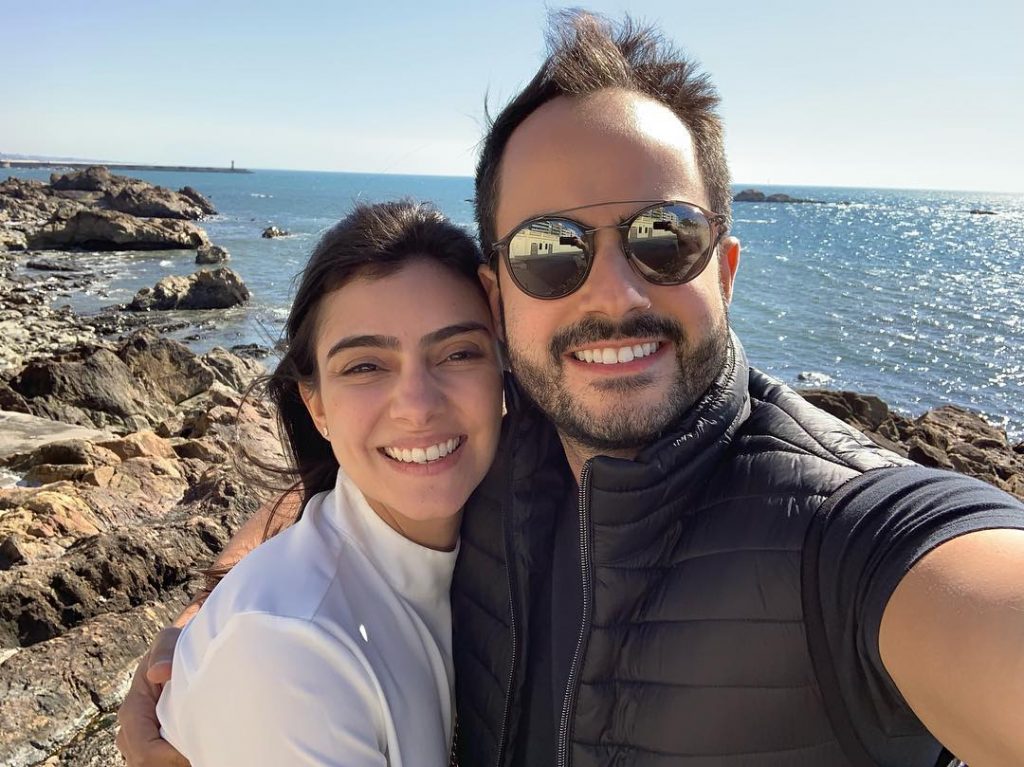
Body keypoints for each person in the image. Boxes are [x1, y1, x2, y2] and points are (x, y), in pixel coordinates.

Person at [118, 11, 1024, 767]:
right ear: (499, 298)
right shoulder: (500, 447)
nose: (614, 294)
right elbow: (344, 487)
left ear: (725, 270)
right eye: (552, 249)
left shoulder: (848, 536)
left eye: (664, 236)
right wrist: (210, 631)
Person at [151, 200, 504, 766]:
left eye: (459, 353)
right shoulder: (287, 649)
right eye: (365, 366)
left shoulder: (503, 535)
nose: (417, 406)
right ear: (316, 406)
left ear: (506, 372)